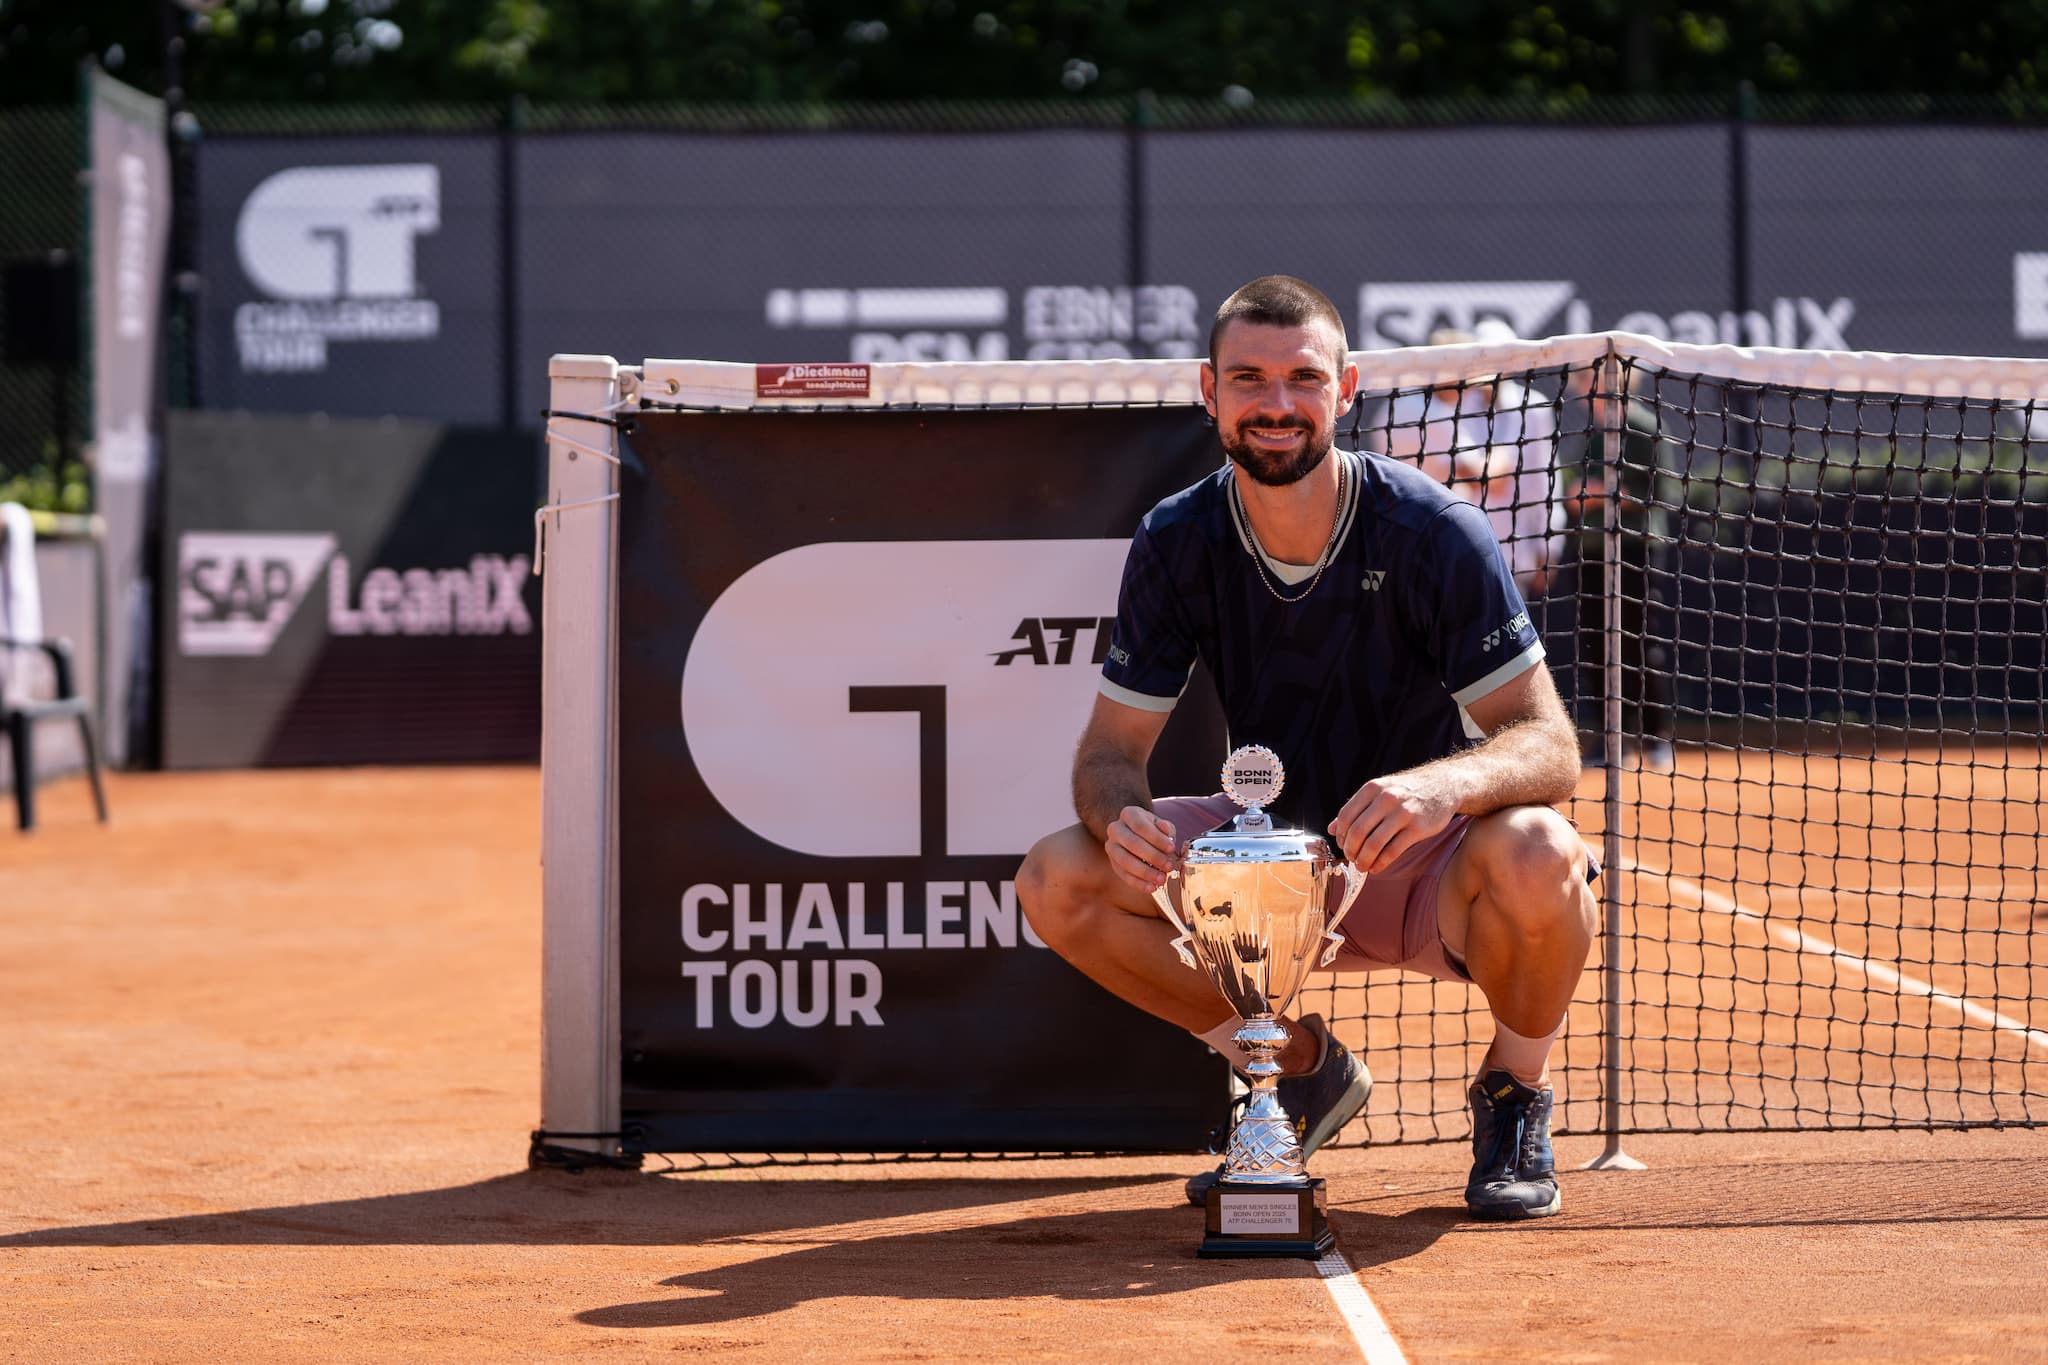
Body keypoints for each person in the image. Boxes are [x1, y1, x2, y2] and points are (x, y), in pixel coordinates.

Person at [1016, 275, 1598, 1222]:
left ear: (1346, 387)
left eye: (1301, 378)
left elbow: (1549, 744)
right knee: (1058, 876)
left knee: (1543, 852)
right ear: (1209, 391)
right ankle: (1297, 1068)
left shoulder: (1435, 530)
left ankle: (1513, 1094)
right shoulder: (1177, 537)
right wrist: (1119, 818)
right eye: (1248, 379)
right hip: (1267, 869)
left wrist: (1437, 789)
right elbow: (1109, 750)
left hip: (1424, 862)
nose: (1276, 404)